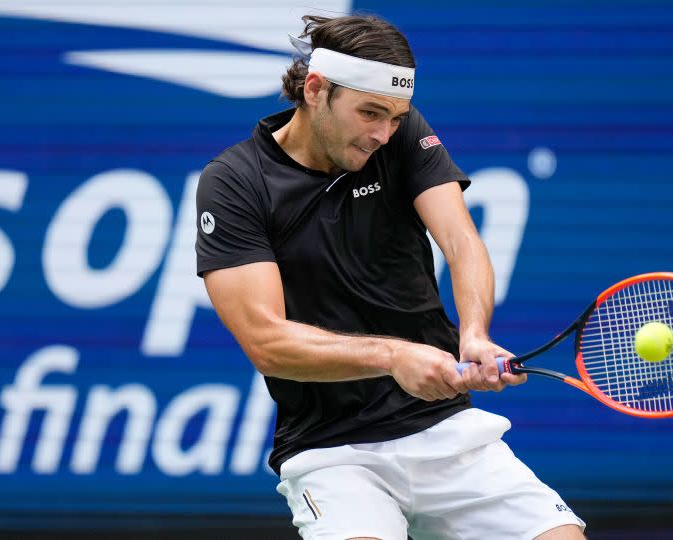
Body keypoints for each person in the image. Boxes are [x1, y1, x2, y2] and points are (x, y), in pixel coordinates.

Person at [195, 13, 586, 540]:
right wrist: (393, 356)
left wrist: (473, 334)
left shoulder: (399, 136)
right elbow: (266, 341)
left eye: (396, 117)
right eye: (370, 113)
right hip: (333, 451)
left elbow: (461, 241)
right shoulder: (236, 182)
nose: (383, 133)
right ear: (316, 89)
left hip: (447, 429)